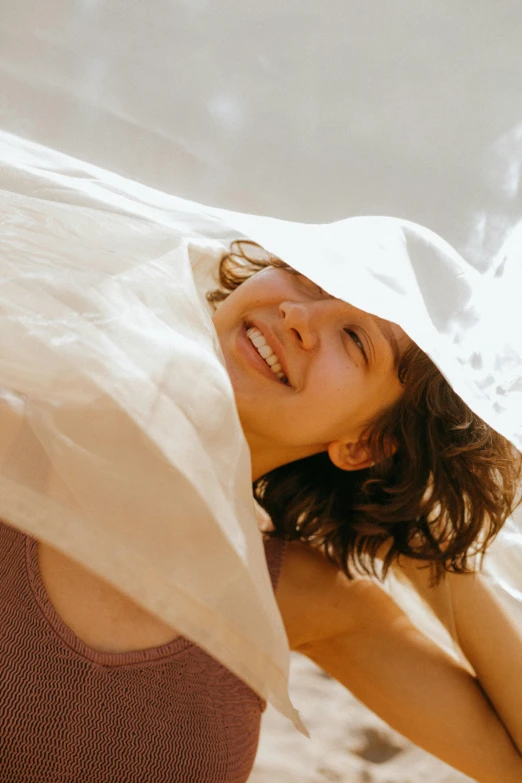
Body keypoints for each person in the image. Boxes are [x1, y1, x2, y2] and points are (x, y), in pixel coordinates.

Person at [0, 236, 521, 783]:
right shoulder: (14, 433)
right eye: (309, 276)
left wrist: (414, 533)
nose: (298, 315)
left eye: (354, 340)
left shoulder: (295, 597)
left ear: (362, 445)